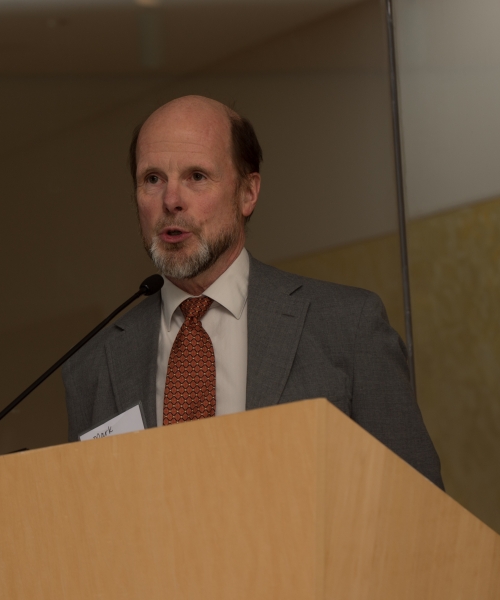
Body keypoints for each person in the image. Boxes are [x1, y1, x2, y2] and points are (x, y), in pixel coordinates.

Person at [62, 95, 443, 489]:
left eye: (196, 176)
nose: (171, 201)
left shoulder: (348, 328)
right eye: (152, 179)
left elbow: (420, 509)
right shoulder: (93, 367)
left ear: (248, 193)